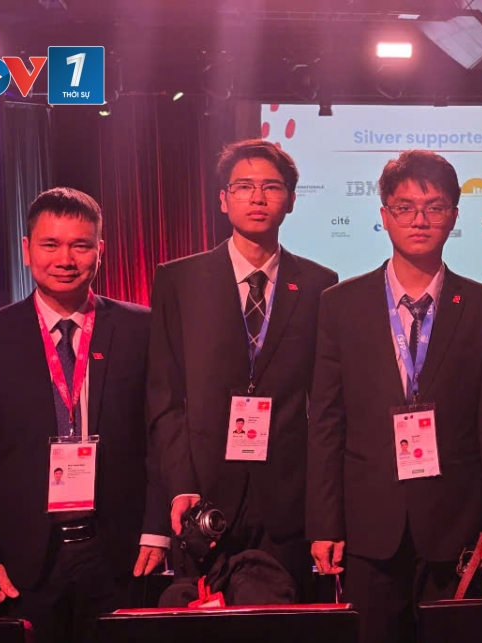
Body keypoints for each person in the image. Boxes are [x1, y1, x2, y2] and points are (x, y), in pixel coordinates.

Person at [307, 150, 482, 643]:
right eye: (405, 207)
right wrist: (324, 523)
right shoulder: (340, 305)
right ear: (384, 215)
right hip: (367, 523)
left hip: (457, 521)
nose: (419, 220)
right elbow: (326, 422)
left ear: (454, 216)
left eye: (434, 207)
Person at [0, 188, 169, 643]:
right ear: (27, 249)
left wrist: (157, 529)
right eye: (50, 244)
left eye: (80, 245)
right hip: (22, 558)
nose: (65, 259)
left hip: (122, 551)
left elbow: (161, 436)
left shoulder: (142, 328)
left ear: (100, 251)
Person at [148, 140, 338, 599]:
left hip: (287, 501)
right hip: (203, 500)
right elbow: (165, 398)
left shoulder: (320, 284)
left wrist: (322, 510)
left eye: (271, 187)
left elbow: (326, 407)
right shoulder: (180, 280)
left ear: (291, 200)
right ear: (223, 199)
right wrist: (181, 486)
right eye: (244, 186)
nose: (257, 197)